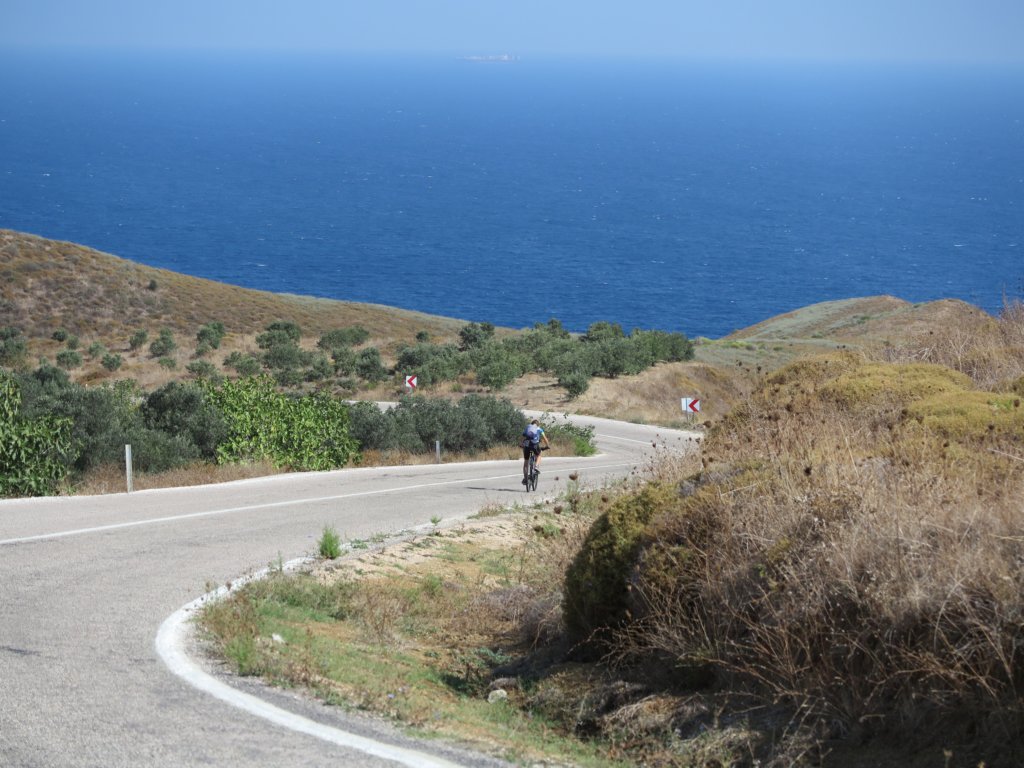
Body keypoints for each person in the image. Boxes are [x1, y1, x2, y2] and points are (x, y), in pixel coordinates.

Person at [521, 418, 550, 484]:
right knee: (539, 455)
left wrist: (521, 444)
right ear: (538, 424)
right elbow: (545, 438)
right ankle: (536, 467)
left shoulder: (528, 428)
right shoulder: (539, 429)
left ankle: (525, 479)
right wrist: (547, 445)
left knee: (526, 462)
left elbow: (523, 437)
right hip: (535, 445)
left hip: (527, 445)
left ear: (531, 424)